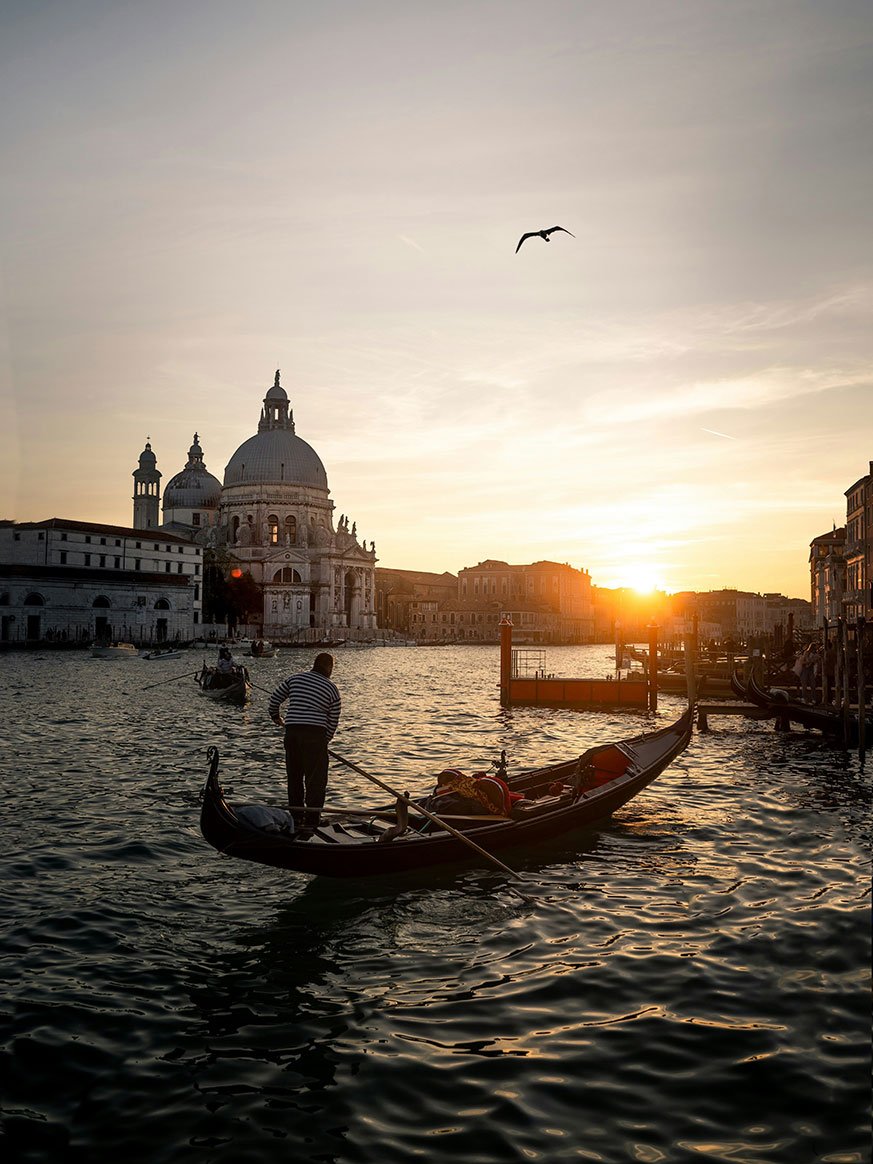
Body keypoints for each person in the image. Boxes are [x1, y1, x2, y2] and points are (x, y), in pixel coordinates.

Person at [268, 653, 341, 834]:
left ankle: (295, 816)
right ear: (329, 668)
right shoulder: (332, 689)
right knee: (316, 780)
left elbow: (275, 699)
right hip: (315, 735)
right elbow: (333, 720)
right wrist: (324, 741)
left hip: (292, 732)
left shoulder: (295, 679)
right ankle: (312, 819)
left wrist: (276, 717)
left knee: (294, 776)